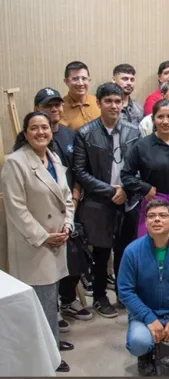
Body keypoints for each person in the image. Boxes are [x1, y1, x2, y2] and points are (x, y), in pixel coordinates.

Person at [2, 112, 76, 373]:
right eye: (34, 128)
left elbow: (67, 198)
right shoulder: (15, 162)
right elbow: (16, 209)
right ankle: (49, 356)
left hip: (58, 238)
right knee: (41, 300)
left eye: (45, 127)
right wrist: (45, 236)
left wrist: (67, 225)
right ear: (25, 132)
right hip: (35, 243)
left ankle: (51, 341)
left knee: (50, 298)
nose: (41, 132)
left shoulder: (53, 158)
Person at [73, 83, 142, 319]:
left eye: (118, 101)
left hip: (129, 200)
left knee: (126, 251)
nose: (114, 105)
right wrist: (109, 190)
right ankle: (101, 296)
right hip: (99, 202)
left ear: (123, 103)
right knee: (101, 254)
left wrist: (125, 188)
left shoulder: (134, 131)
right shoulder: (85, 133)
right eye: (108, 101)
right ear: (99, 103)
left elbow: (141, 166)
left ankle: (125, 295)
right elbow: (80, 172)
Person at [117, 199, 169, 376]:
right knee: (139, 342)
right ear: (145, 221)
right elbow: (125, 290)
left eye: (162, 215)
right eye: (151, 216)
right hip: (144, 315)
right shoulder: (132, 251)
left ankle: (163, 349)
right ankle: (146, 355)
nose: (156, 220)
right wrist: (148, 318)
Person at [33, 88, 93, 324]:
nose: (54, 110)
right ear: (38, 109)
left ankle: (67, 300)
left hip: (72, 206)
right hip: (44, 213)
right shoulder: (30, 141)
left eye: (57, 105)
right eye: (49, 106)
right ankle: (50, 311)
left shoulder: (70, 135)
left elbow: (78, 170)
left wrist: (75, 201)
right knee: (48, 265)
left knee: (76, 258)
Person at [121, 100, 169, 242]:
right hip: (153, 202)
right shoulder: (142, 145)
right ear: (153, 119)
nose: (165, 121)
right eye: (160, 117)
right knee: (148, 248)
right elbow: (126, 175)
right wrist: (144, 188)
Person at [61, 61, 100, 130]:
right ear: (66, 81)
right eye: (75, 79)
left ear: (89, 80)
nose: (80, 83)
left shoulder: (98, 102)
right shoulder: (60, 107)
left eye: (84, 78)